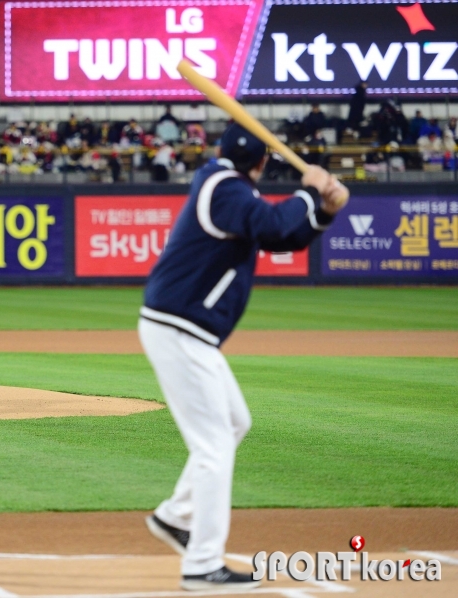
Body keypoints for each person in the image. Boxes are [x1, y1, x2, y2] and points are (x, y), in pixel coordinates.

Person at [139, 123, 348, 592]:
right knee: (214, 446)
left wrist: (323, 212)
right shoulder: (225, 188)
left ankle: (175, 516)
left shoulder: (225, 185)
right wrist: (310, 190)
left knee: (234, 423)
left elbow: (281, 238)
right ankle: (202, 565)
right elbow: (274, 224)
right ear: (261, 164)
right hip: (178, 328)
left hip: (184, 330)